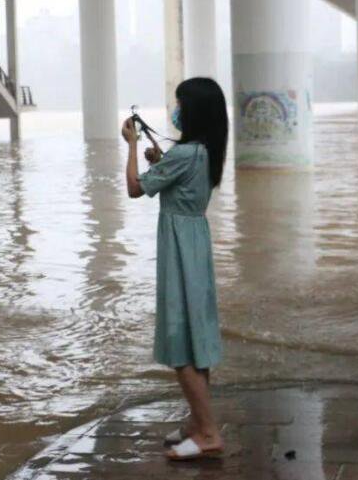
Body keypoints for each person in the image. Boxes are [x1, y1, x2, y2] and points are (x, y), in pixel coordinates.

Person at [120, 77, 229, 461]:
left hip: (180, 247)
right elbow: (181, 181)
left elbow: (135, 188)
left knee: (179, 341)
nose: (175, 110)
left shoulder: (186, 154)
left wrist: (132, 146)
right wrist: (160, 162)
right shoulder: (205, 151)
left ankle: (209, 434)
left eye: (180, 103)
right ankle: (197, 423)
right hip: (195, 241)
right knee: (196, 339)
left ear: (193, 111)